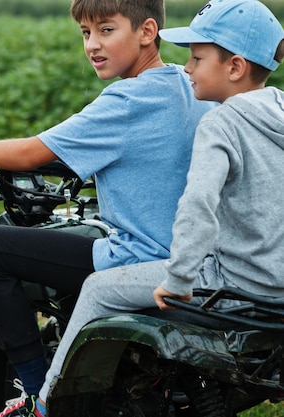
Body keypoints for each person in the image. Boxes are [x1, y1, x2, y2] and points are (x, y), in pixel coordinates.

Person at [0, 0, 215, 416]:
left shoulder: (127, 99)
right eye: (85, 33)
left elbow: (30, 152)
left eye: (106, 30)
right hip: (201, 256)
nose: (92, 45)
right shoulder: (190, 85)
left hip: (142, 258)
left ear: (147, 31)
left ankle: (34, 391)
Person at [37, 0, 284, 415]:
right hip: (277, 289)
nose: (186, 67)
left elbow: (198, 205)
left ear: (235, 67)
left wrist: (179, 278)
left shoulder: (220, 123)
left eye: (197, 57)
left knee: (98, 287)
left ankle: (43, 404)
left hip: (233, 283)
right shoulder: (278, 110)